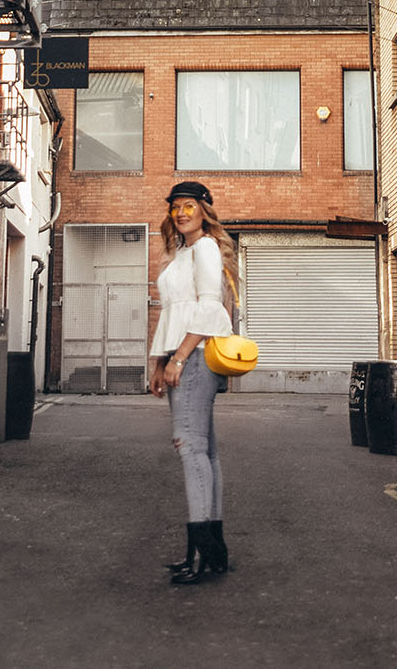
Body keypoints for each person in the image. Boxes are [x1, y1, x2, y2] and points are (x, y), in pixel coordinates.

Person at [149, 179, 235, 585]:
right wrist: (158, 361)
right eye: (175, 207)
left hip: (196, 358)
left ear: (204, 210)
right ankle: (213, 550)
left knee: (189, 447)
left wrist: (179, 358)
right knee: (206, 452)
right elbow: (172, 312)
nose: (181, 213)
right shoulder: (181, 253)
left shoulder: (205, 248)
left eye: (189, 205)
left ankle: (201, 553)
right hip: (184, 356)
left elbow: (209, 307)